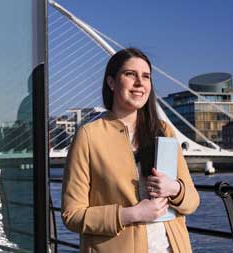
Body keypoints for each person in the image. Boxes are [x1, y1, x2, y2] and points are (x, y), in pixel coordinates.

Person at [61, 48, 200, 253]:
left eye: (146, 77)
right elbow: (72, 215)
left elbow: (192, 202)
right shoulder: (89, 136)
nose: (140, 83)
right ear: (111, 82)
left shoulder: (163, 131)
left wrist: (175, 189)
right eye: (130, 74)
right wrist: (132, 214)